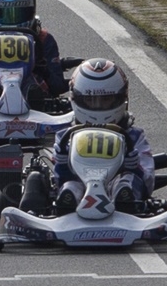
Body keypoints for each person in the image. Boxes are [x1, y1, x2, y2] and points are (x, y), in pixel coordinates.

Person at [52, 58, 156, 213]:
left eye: (106, 99)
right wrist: (62, 164)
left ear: (122, 98)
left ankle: (125, 199)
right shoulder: (65, 137)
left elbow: (148, 180)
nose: (98, 105)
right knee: (70, 185)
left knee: (126, 181)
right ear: (75, 98)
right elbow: (58, 180)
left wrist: (134, 167)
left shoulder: (134, 136)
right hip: (79, 192)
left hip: (120, 197)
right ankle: (69, 199)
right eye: (90, 100)